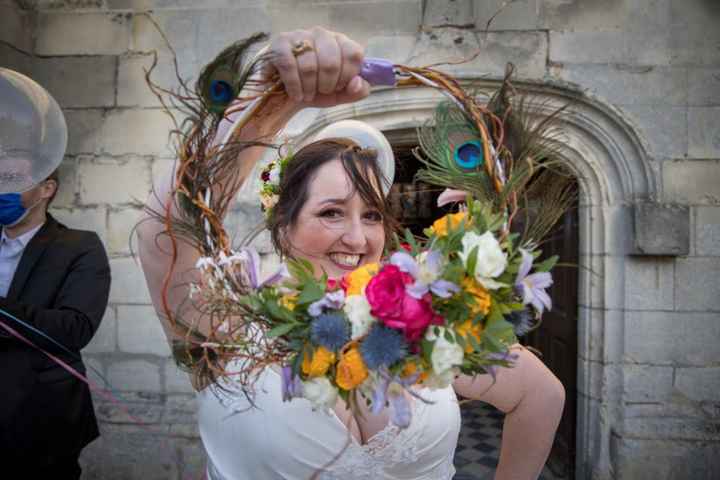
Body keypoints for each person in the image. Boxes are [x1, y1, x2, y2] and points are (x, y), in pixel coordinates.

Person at [138, 27, 564, 480]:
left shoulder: (427, 325)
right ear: (284, 226)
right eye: (331, 213)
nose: (359, 240)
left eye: (373, 216)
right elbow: (165, 231)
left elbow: (540, 396)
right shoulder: (231, 324)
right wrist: (274, 100)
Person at [0, 69, 111, 478]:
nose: (1, 187)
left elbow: (73, 328)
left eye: (12, 179)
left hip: (42, 426)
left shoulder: (79, 247)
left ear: (46, 188)